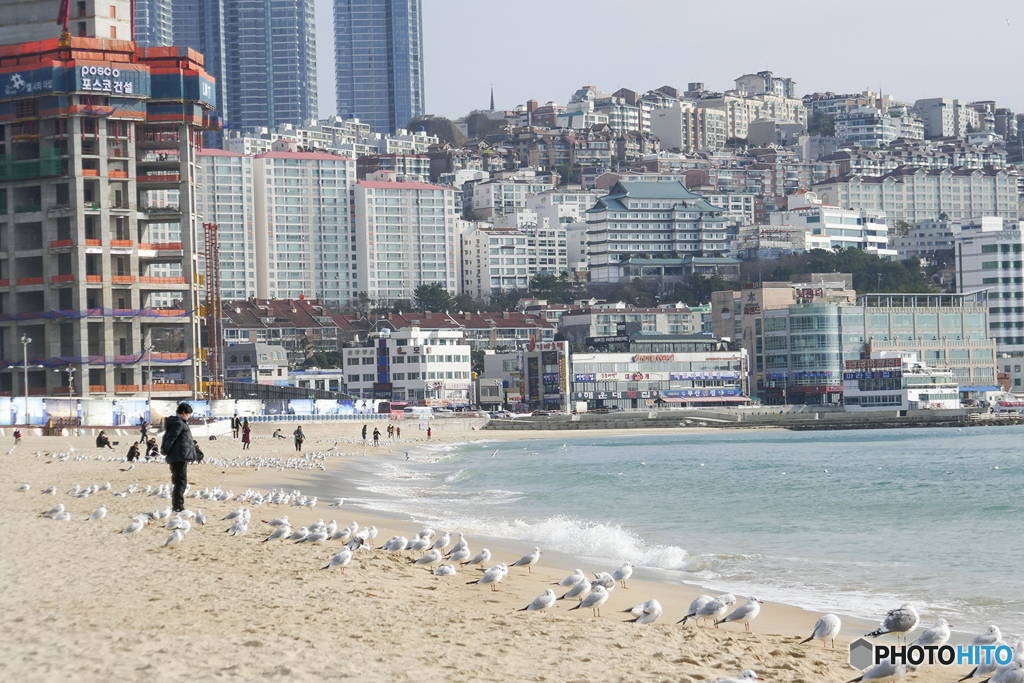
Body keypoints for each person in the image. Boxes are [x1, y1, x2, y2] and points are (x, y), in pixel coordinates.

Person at [161, 403, 202, 513]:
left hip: (178, 456)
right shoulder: (179, 423)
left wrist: (197, 453)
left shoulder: (178, 423)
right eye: (188, 414)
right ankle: (178, 507)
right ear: (183, 412)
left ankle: (177, 506)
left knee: (179, 481)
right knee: (180, 482)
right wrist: (166, 451)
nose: (189, 416)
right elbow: (171, 438)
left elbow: (185, 441)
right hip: (178, 456)